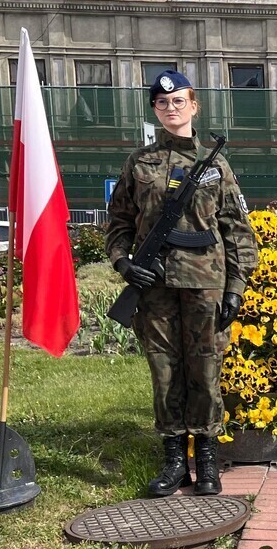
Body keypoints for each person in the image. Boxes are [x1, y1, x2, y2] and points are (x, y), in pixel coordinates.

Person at [106, 71, 259, 497]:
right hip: (153, 286)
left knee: (205, 370)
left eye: (178, 101)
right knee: (164, 371)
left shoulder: (215, 166)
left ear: (194, 106)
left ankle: (207, 459)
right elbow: (118, 222)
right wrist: (123, 264)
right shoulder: (139, 163)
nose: (170, 108)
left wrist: (235, 287)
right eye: (162, 102)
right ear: (154, 109)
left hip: (205, 284)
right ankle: (174, 461)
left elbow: (237, 230)